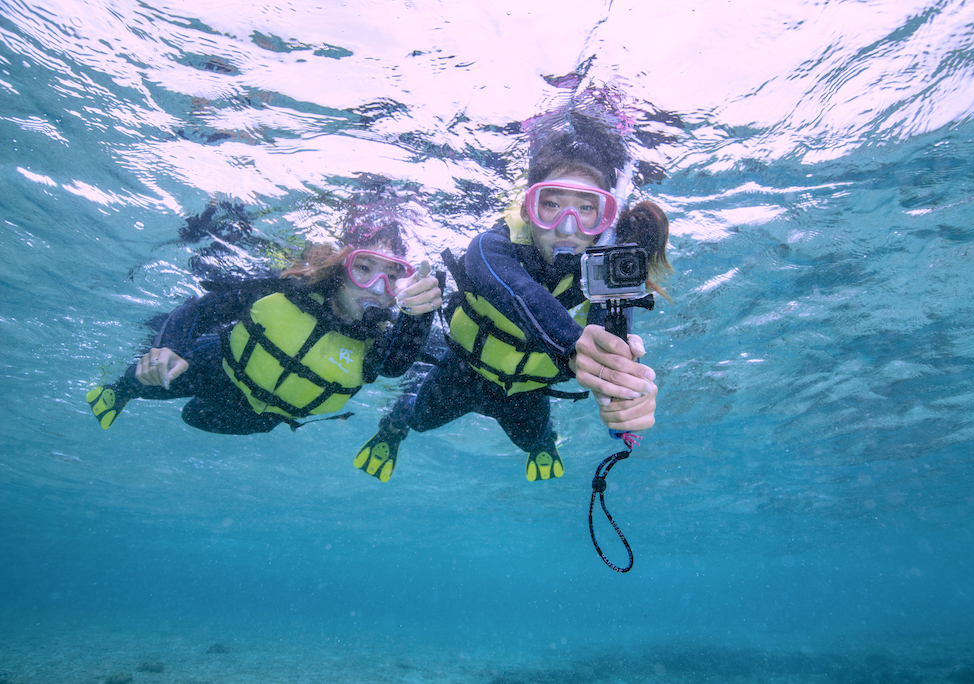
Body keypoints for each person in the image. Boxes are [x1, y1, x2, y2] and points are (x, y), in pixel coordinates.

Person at [353, 113, 666, 483]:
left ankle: (544, 443)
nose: (568, 227)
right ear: (526, 209)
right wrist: (582, 354)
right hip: (462, 371)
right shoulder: (490, 247)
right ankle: (393, 430)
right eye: (551, 205)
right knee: (417, 420)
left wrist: (623, 388)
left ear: (604, 217)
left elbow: (609, 344)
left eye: (585, 208)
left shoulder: (609, 272)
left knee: (534, 441)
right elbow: (521, 292)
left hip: (529, 392)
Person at [85, 192, 443, 457]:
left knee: (195, 417)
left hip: (261, 416)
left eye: (391, 279)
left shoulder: (377, 338)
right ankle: (120, 390)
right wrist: (168, 347)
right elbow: (200, 309)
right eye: (363, 269)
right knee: (155, 379)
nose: (376, 290)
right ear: (341, 267)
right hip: (217, 368)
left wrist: (421, 313)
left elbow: (396, 366)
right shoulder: (288, 291)